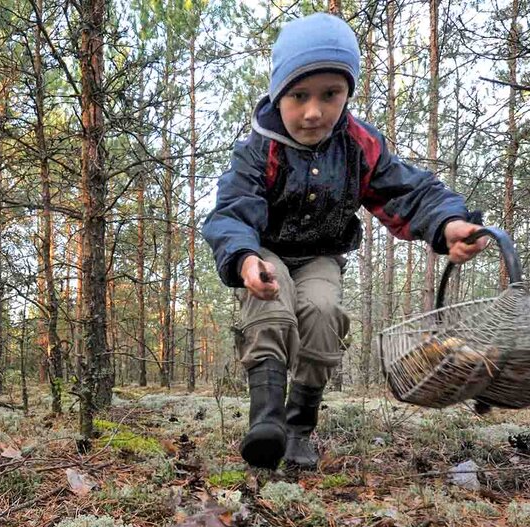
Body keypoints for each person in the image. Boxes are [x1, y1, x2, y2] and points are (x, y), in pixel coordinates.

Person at [203, 11, 488, 471]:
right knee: (271, 309)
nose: (314, 111)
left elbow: (408, 192)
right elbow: (233, 210)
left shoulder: (359, 145)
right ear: (279, 94)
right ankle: (267, 423)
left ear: (347, 94)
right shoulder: (260, 147)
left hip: (319, 254)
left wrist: (448, 224)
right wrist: (243, 258)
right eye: (299, 96)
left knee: (321, 315)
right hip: (265, 249)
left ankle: (298, 428)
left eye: (330, 94)